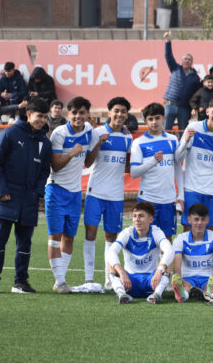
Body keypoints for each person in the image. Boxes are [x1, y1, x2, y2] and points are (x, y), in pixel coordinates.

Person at [0, 97, 51, 294]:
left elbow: (45, 171)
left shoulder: (45, 143)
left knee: (25, 243)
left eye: (45, 117)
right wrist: (1, 191)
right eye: (39, 116)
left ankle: (20, 282)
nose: (42, 120)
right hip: (6, 199)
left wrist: (37, 192)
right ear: (28, 114)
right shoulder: (10, 133)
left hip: (28, 201)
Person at [45, 96, 95, 293]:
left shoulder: (89, 130)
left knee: (70, 237)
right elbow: (55, 166)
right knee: (55, 238)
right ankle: (60, 281)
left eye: (82, 113)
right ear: (68, 114)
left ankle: (60, 281)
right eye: (74, 112)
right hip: (56, 189)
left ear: (87, 114)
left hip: (75, 193)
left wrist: (97, 145)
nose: (78, 116)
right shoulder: (59, 133)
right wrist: (72, 153)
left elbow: (89, 163)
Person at [81, 97, 133, 287]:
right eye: (116, 110)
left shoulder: (128, 137)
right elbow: (87, 162)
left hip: (116, 195)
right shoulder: (97, 133)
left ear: (127, 115)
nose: (119, 114)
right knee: (90, 235)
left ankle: (109, 279)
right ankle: (88, 279)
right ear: (109, 112)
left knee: (111, 238)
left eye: (123, 111)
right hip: (95, 192)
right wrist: (99, 144)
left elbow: (127, 165)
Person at [176, 97, 213, 234]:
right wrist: (185, 142)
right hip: (192, 190)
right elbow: (177, 158)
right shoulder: (193, 128)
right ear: (208, 111)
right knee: (188, 231)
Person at [130, 102, 184, 240]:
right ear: (146, 120)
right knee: (145, 239)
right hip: (148, 198)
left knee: (166, 240)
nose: (154, 122)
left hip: (168, 199)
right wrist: (153, 161)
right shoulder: (139, 142)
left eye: (157, 118)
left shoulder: (172, 140)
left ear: (164, 119)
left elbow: (177, 167)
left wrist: (181, 194)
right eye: (150, 119)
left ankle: (164, 263)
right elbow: (134, 172)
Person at [105, 201, 174, 304]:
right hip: (129, 282)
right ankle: (121, 294)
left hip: (152, 282)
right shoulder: (127, 233)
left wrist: (159, 271)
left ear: (151, 219)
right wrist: (122, 272)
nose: (136, 220)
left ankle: (157, 294)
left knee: (167, 264)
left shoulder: (156, 232)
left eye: (141, 216)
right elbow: (111, 252)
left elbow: (169, 250)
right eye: (134, 216)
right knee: (111, 263)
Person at [171, 203, 213, 303]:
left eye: (203, 219)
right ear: (189, 219)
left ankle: (207, 292)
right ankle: (183, 295)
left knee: (211, 289)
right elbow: (177, 265)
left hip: (208, 278)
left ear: (207, 220)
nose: (199, 223)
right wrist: (180, 279)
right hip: (188, 278)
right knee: (184, 289)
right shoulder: (180, 238)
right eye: (196, 219)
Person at [163, 31, 201, 131]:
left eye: (189, 59)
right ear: (181, 61)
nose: (187, 61)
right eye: (185, 59)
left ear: (192, 63)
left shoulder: (195, 77)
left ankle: (182, 146)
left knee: (183, 131)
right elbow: (168, 56)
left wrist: (195, 107)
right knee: (166, 129)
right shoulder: (175, 68)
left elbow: (197, 94)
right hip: (170, 105)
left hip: (184, 108)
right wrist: (167, 41)